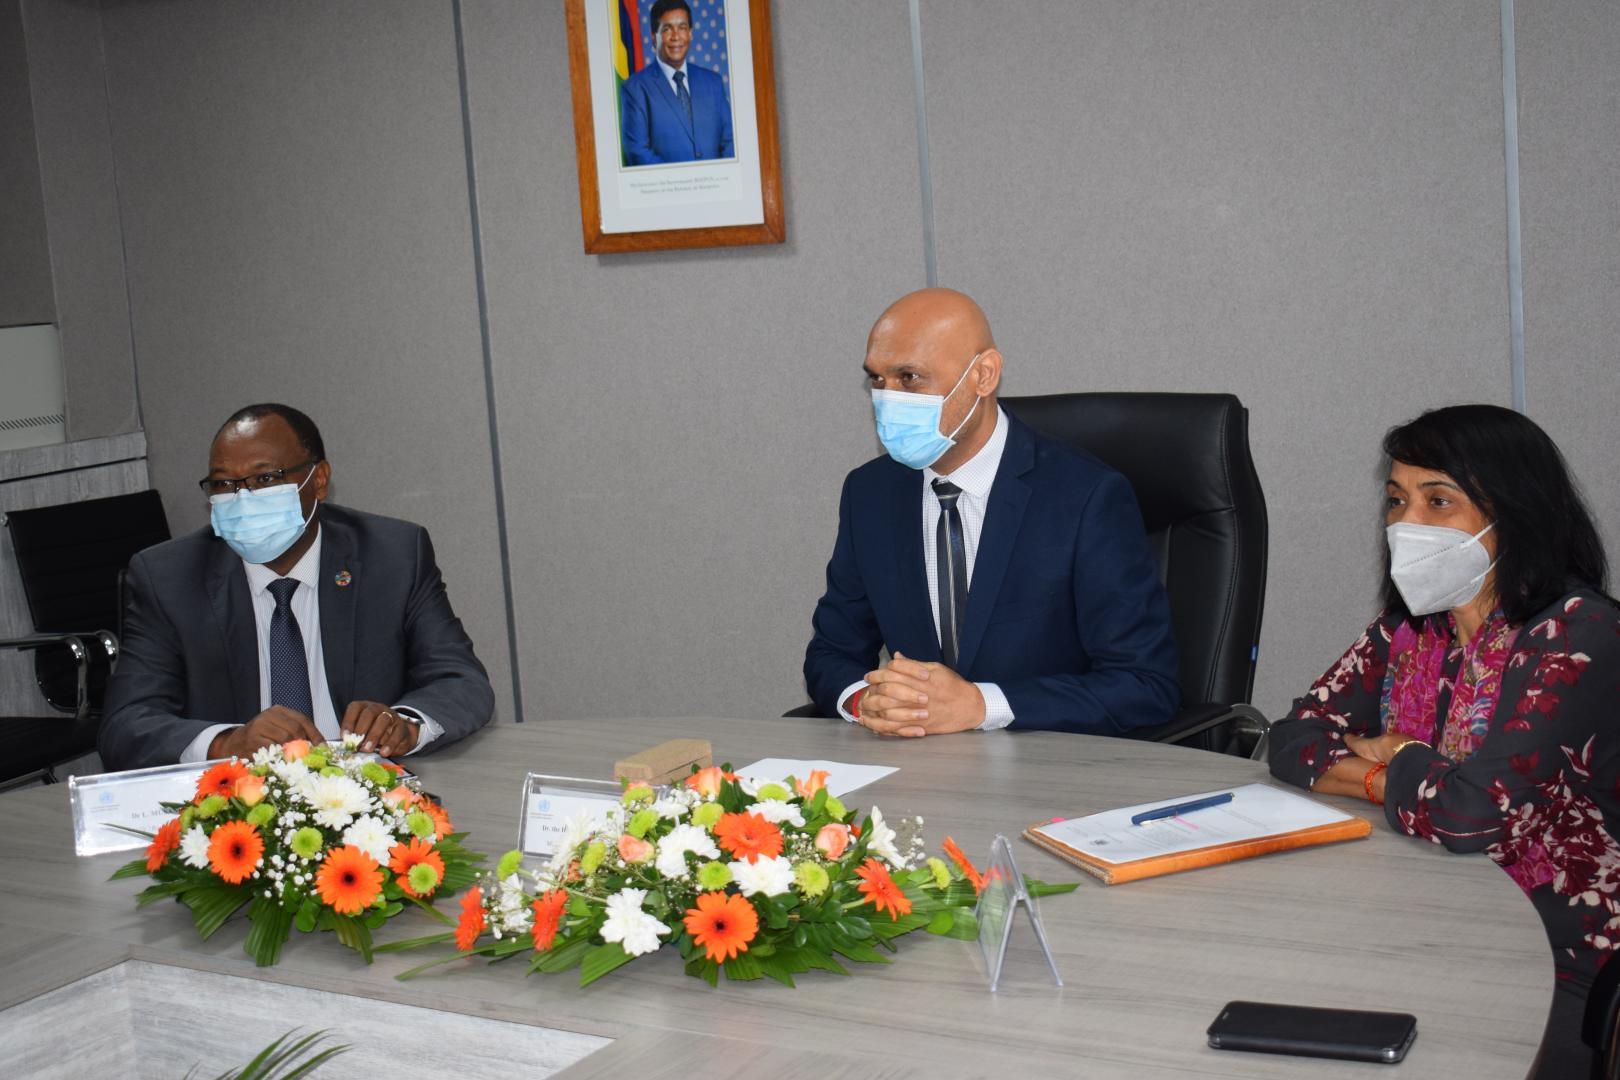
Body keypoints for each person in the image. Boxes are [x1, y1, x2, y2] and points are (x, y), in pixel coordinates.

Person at [1267, 404, 1619, 1078]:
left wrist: (1396, 752)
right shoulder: (1408, 630)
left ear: (1513, 513)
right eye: (1397, 500)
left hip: (1560, 953)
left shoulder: (1575, 636)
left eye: (1439, 501)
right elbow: (1292, 740)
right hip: (1418, 920)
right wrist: (1388, 779)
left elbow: (1472, 815)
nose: (1407, 524)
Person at [803, 288, 1179, 737]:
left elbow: (1144, 685)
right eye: (877, 380)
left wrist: (981, 705)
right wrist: (868, 700)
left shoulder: (1085, 496)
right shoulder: (870, 493)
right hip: (917, 775)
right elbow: (831, 653)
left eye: (909, 378)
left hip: (1054, 771)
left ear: (983, 375)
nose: (887, 399)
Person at [99, 403, 495, 771]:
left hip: (368, 797)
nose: (243, 497)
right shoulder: (168, 577)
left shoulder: (392, 555)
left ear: (318, 480)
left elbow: (461, 681)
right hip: (238, 810)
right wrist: (227, 743)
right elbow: (125, 725)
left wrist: (405, 725)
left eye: (265, 478)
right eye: (223, 485)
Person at [618, 0, 734, 165]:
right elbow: (637, 153)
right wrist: (682, 184)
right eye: (667, 29)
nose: (676, 37)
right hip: (666, 189)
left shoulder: (713, 83)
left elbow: (730, 142)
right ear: (653, 37)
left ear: (691, 33)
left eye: (682, 28)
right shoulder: (635, 89)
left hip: (717, 186)